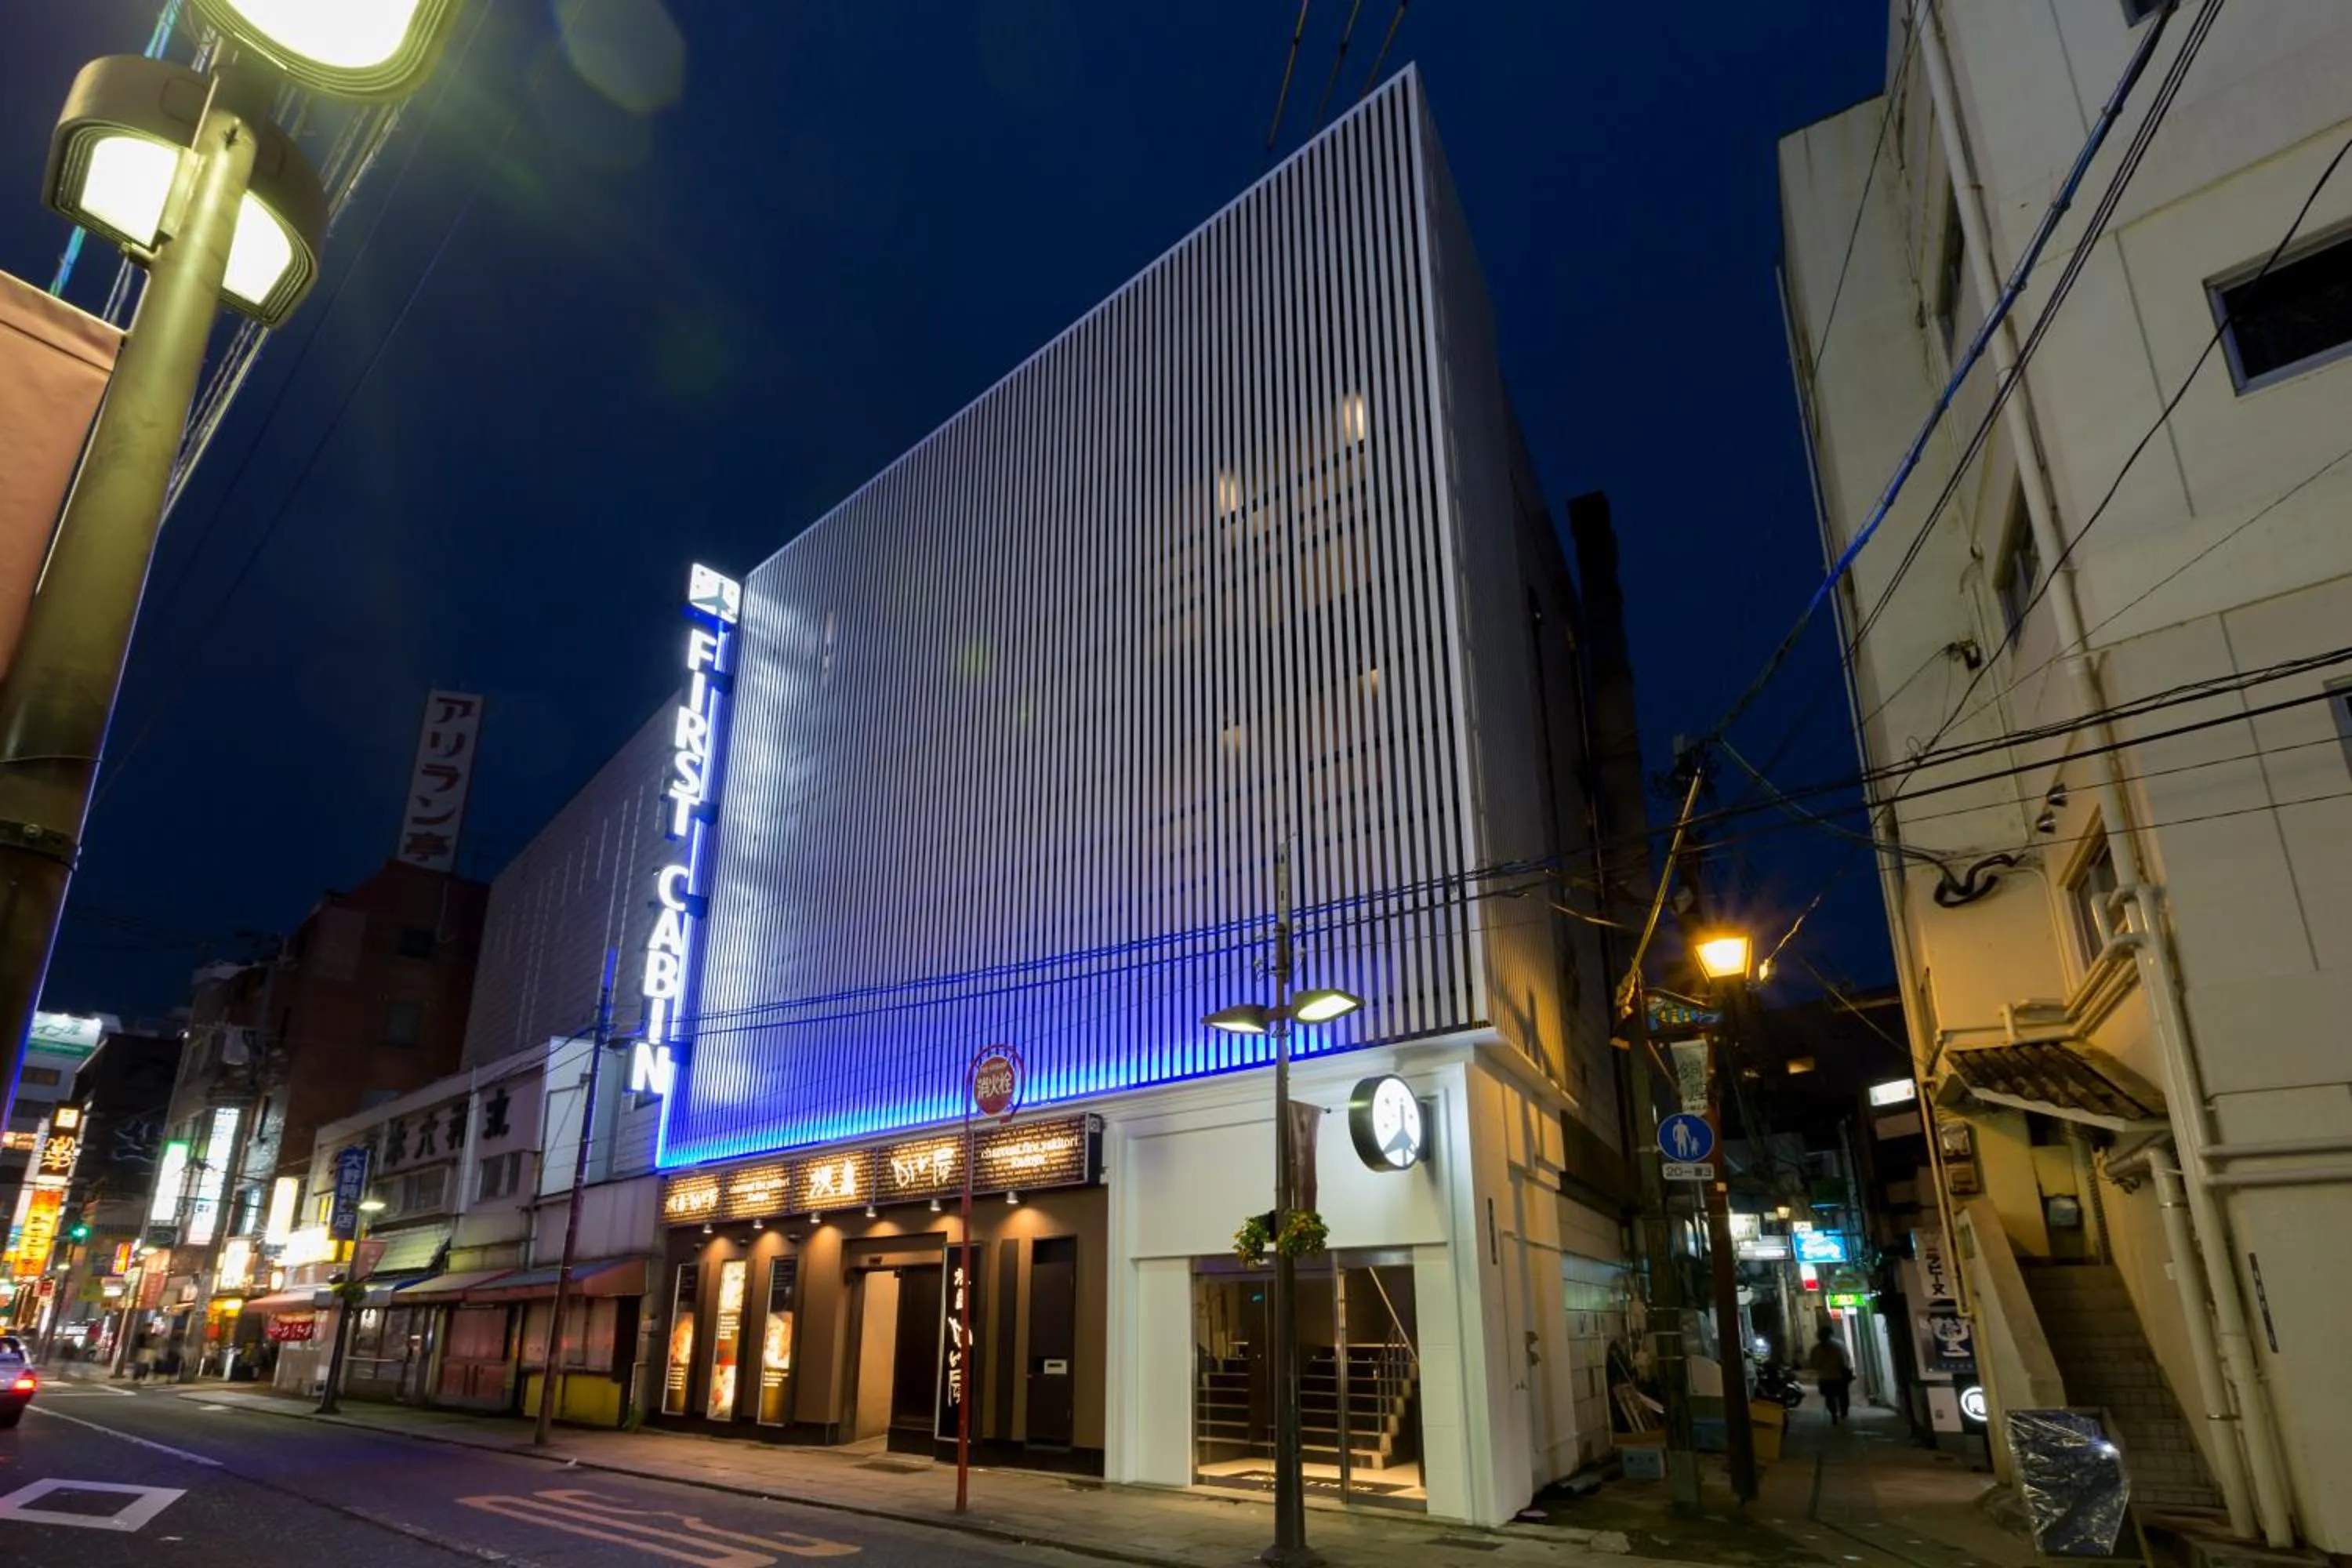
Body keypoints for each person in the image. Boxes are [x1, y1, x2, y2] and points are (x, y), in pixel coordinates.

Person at [1807, 1323, 1853, 1424]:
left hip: (1826, 1377)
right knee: (1842, 1396)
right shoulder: (1839, 1345)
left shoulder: (1816, 1349)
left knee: (1829, 1397)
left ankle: (1834, 1413)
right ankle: (1843, 1413)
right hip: (1838, 1377)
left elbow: (1813, 1364)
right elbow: (1846, 1360)